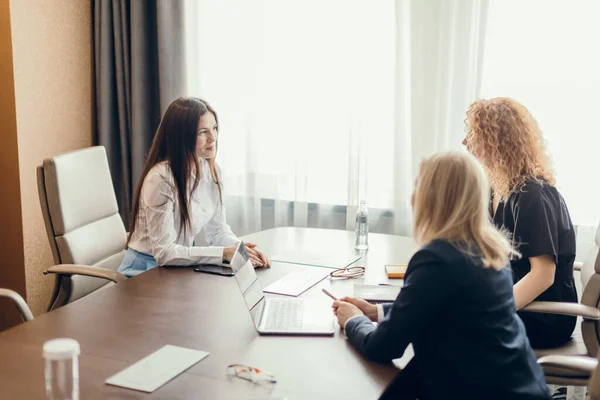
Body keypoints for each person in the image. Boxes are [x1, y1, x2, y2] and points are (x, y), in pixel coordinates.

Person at [332, 152, 550, 400]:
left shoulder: (436, 259)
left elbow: (384, 347)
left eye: (418, 185)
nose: (412, 196)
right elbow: (447, 310)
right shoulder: (489, 251)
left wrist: (353, 320)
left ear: (432, 198)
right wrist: (376, 312)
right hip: (522, 387)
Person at [463, 97, 577, 349]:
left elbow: (543, 275)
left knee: (450, 328)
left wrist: (492, 311)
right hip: (518, 305)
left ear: (497, 140)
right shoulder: (498, 190)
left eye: (473, 134)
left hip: (544, 316)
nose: (465, 143)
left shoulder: (531, 194)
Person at [118, 97, 270, 277]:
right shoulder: (160, 178)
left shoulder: (211, 170)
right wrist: (223, 254)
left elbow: (217, 230)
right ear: (182, 136)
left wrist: (238, 248)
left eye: (214, 128)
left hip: (176, 268)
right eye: (203, 132)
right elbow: (165, 253)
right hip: (143, 272)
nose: (213, 138)